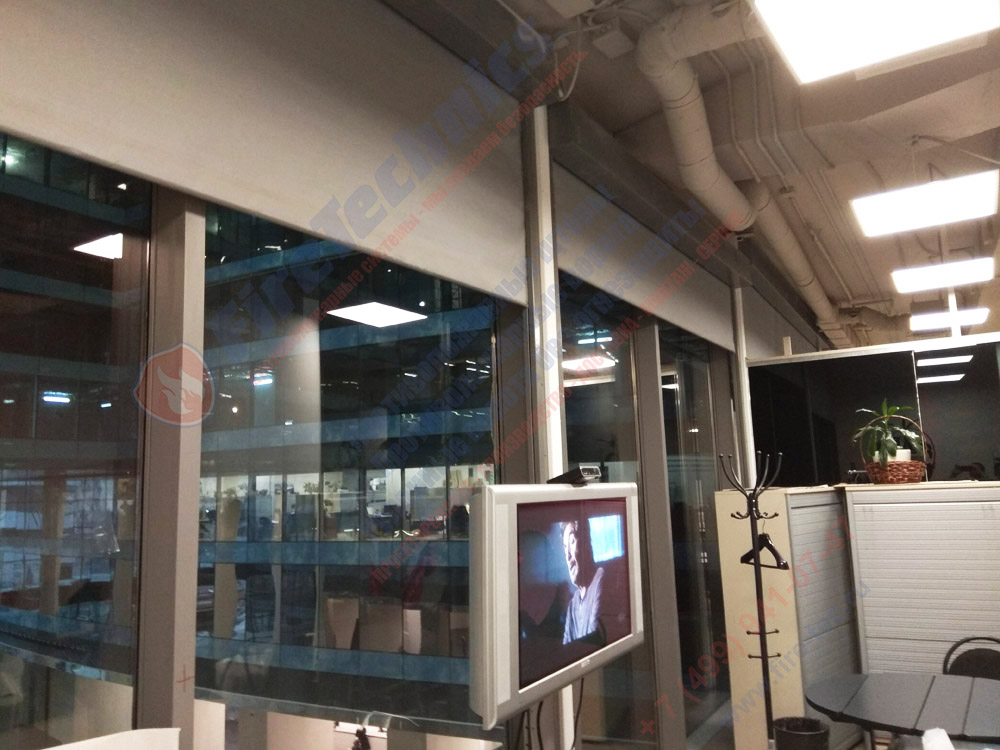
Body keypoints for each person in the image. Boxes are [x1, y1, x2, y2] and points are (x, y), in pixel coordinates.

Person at [561, 519, 605, 644]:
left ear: (586, 544)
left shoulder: (600, 578)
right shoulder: (572, 604)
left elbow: (594, 640)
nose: (568, 555)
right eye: (565, 548)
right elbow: (566, 646)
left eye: (572, 542)